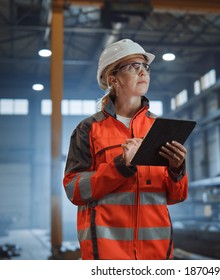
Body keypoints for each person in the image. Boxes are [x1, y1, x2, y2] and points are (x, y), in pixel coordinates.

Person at [63, 39, 189, 260]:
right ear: (114, 79)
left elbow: (175, 196)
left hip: (157, 255)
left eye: (145, 67)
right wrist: (121, 166)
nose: (143, 71)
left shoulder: (160, 129)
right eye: (133, 66)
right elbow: (74, 189)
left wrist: (177, 170)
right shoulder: (89, 129)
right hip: (106, 255)